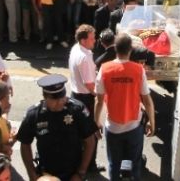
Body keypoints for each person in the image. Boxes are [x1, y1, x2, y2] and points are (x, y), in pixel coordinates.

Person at [94, 33, 155, 181]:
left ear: (115, 48)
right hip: (133, 127)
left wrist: (96, 124)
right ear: (130, 50)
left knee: (113, 164)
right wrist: (152, 123)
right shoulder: (138, 70)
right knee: (135, 163)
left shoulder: (104, 69)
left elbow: (99, 101)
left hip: (113, 127)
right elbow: (147, 101)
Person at [17, 74, 97, 181]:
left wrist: (81, 172)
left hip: (73, 174)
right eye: (55, 99)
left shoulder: (77, 109)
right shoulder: (34, 114)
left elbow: (90, 141)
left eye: (62, 97)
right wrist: (32, 174)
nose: (60, 102)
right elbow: (25, 143)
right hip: (47, 174)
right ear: (45, 97)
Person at [67, 25, 103, 173]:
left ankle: (80, 162)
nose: (95, 40)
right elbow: (90, 86)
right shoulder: (85, 57)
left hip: (76, 95)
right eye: (92, 38)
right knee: (91, 134)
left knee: (80, 133)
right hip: (86, 99)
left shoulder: (76, 49)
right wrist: (100, 96)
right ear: (83, 40)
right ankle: (90, 165)